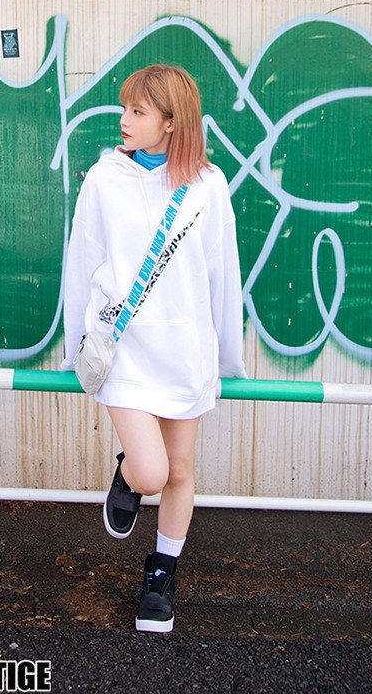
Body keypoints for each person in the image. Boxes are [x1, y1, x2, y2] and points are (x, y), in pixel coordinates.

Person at [63, 64, 245, 633]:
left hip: (185, 348)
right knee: (151, 471)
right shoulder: (104, 179)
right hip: (123, 348)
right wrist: (76, 349)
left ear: (171, 122)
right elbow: (83, 262)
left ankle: (161, 577)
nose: (124, 119)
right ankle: (129, 475)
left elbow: (221, 272)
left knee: (180, 469)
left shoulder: (208, 185)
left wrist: (228, 357)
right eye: (126, 108)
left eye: (138, 111)